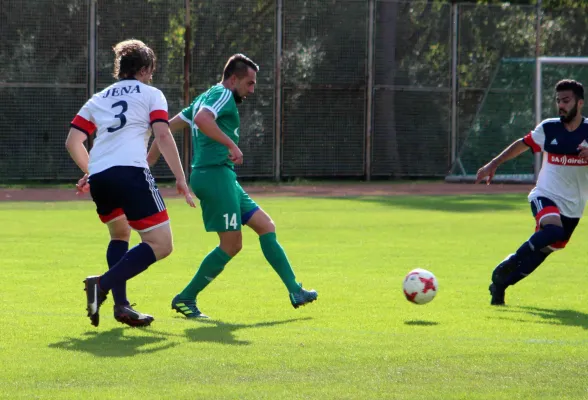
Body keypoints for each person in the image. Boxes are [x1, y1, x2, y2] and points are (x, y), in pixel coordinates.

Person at [149, 53, 318, 318]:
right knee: (231, 245)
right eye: (249, 83)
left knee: (265, 225)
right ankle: (186, 298)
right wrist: (231, 144)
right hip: (215, 176)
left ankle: (295, 290)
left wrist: (145, 165)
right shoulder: (223, 95)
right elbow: (204, 120)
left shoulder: (204, 96)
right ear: (234, 79)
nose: (252, 89)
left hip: (220, 177)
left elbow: (165, 130)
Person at [65, 39, 195, 327]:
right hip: (131, 173)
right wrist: (181, 178)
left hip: (101, 178)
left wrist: (92, 170)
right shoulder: (152, 94)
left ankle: (122, 307)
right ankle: (101, 284)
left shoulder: (97, 98)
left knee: (119, 234)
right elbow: (162, 135)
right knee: (162, 244)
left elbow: (73, 141)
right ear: (146, 69)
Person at [476, 79, 588, 306]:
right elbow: (522, 143)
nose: (561, 105)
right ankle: (511, 261)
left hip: (574, 207)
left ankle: (500, 284)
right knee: (553, 228)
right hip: (545, 195)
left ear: (580, 103)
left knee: (541, 253)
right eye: (558, 101)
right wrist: (493, 164)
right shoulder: (548, 128)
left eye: (566, 101)